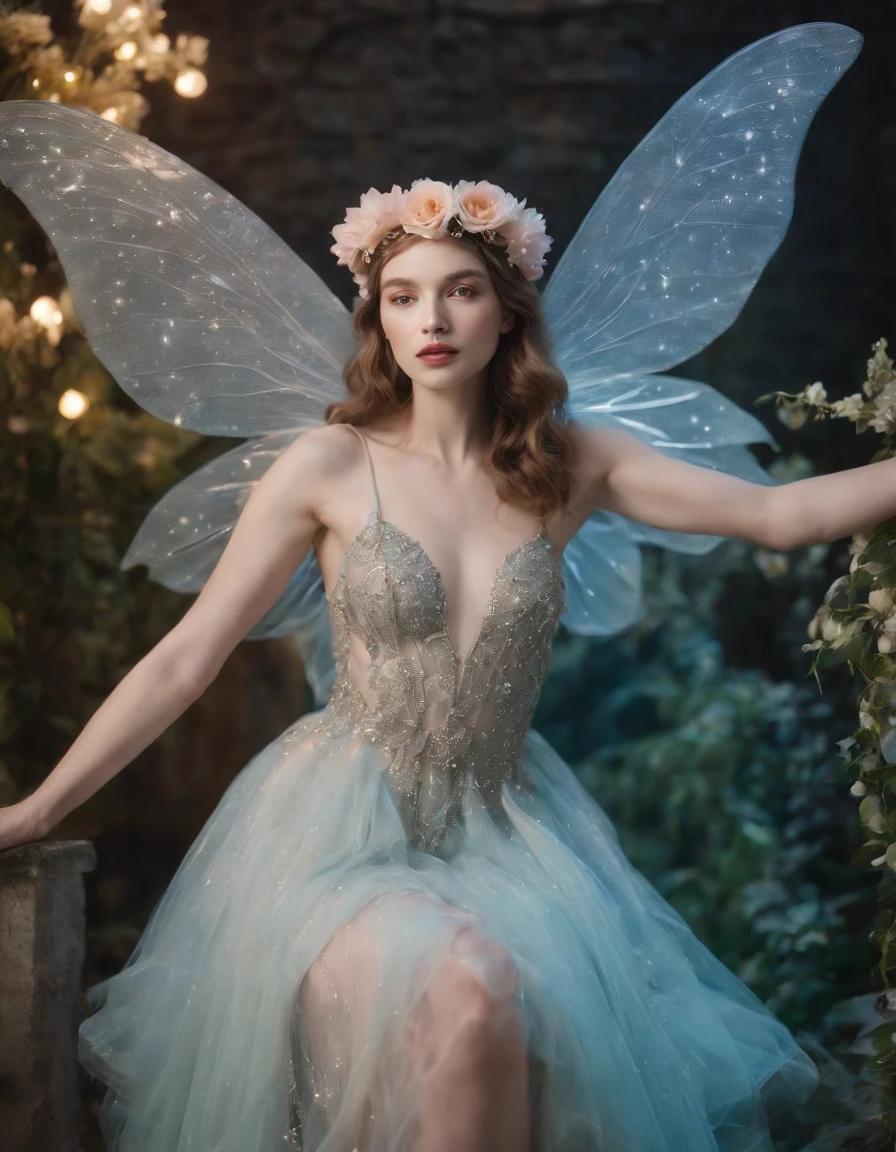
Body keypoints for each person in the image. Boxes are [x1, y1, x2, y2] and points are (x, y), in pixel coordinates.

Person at [0, 21, 877, 1152]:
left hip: (512, 835)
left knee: (502, 1015)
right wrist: (34, 809)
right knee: (470, 986)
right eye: (403, 297)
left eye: (458, 292)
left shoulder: (571, 464)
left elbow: (779, 516)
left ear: (503, 309)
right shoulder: (323, 466)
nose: (430, 320)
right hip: (333, 840)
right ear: (377, 319)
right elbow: (184, 659)